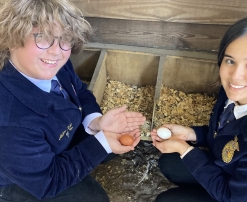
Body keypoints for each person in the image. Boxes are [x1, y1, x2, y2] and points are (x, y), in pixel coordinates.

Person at [0, 0, 146, 201]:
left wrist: (96, 122)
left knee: (109, 142)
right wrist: (101, 142)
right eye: (42, 37)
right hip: (20, 177)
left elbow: (79, 91)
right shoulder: (10, 122)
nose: (56, 51)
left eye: (64, 39)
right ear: (12, 38)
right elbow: (49, 181)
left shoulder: (49, 65)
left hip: (55, 138)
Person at [151, 16, 247, 202]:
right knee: (170, 163)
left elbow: (233, 198)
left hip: (245, 197)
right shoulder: (236, 93)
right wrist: (191, 134)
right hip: (232, 169)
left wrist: (185, 150)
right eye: (230, 61)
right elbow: (225, 133)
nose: (236, 76)